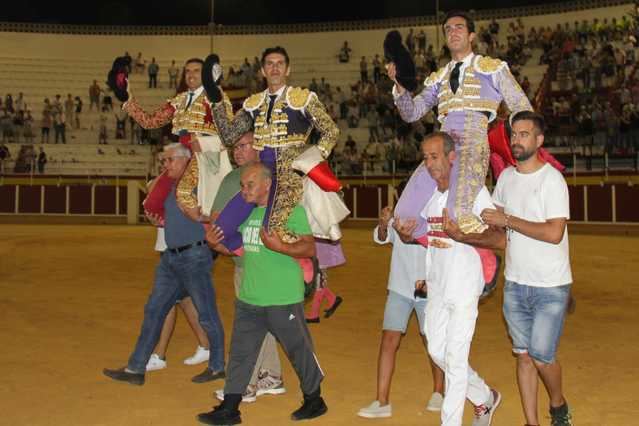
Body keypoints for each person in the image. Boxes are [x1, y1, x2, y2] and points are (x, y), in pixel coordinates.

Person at [198, 162, 327, 425]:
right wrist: (215, 244)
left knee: (299, 350)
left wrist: (280, 246)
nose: (244, 190)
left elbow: (309, 249)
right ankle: (230, 408)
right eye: (243, 185)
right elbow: (240, 250)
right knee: (240, 353)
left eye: (250, 184)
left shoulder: (290, 212)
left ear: (267, 184)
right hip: (250, 298)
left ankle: (315, 400)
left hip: (282, 298)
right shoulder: (247, 215)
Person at [394, 131, 505, 426]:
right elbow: (429, 240)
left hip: (466, 285)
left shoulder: (472, 192)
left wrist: (463, 235)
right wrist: (407, 236)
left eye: (435, 156)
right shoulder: (429, 197)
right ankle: (484, 397)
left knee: (454, 361)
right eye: (426, 158)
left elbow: (500, 238)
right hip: (438, 286)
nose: (429, 164)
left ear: (452, 157)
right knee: (435, 349)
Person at [389, 10, 532, 235]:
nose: (452, 32)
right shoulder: (439, 77)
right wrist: (400, 87)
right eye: (448, 29)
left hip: (473, 144)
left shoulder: (491, 68)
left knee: (458, 214)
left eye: (459, 27)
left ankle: (487, 259)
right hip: (441, 148)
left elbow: (521, 106)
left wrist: (518, 138)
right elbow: (411, 113)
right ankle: (438, 248)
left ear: (471, 35)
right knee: (404, 216)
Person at [103, 143, 226, 385]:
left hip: (194, 256)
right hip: (172, 257)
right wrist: (157, 221)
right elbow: (171, 218)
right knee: (154, 310)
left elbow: (214, 213)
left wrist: (200, 216)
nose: (165, 165)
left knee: (206, 313)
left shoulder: (200, 184)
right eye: (164, 161)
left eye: (169, 160)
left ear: (184, 161)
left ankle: (217, 366)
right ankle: (135, 369)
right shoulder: (170, 187)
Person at [480, 112, 574, 426]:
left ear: (539, 140)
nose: (517, 140)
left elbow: (553, 233)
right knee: (523, 354)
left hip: (550, 285)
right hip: (516, 284)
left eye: (524, 134)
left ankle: (558, 404)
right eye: (514, 135)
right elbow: (495, 228)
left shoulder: (552, 180)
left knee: (541, 356)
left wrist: (508, 221)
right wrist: (462, 235)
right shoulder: (505, 178)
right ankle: (531, 422)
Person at [209, 46, 342, 256]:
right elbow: (229, 135)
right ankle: (250, 259)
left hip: (289, 176)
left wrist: (312, 160)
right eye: (269, 64)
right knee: (220, 231)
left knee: (276, 233)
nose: (275, 68)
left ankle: (308, 274)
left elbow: (331, 131)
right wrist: (214, 94)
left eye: (280, 64)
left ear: (288, 70)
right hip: (260, 176)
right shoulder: (254, 103)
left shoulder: (303, 99)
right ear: (262, 71)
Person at [210, 132, 286, 402]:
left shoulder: (234, 179)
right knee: (264, 322)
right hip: (276, 262)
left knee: (248, 325)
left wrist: (222, 245)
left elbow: (217, 220)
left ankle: (246, 384)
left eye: (243, 145)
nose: (236, 151)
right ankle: (272, 376)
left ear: (259, 147)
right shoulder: (278, 179)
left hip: (248, 261)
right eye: (234, 147)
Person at [357, 197, 445, 419]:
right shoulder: (398, 218)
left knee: (432, 341)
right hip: (399, 287)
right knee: (388, 340)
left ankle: (439, 392)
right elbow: (381, 238)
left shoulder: (434, 218)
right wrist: (384, 223)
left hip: (428, 289)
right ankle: (382, 400)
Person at [122, 57, 234, 221]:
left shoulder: (215, 96)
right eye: (187, 71)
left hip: (205, 155)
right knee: (152, 201)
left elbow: (229, 132)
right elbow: (150, 121)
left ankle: (211, 228)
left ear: (205, 75)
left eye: (196, 71)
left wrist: (206, 143)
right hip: (182, 155)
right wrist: (128, 99)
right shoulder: (180, 100)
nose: (191, 74)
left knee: (184, 192)